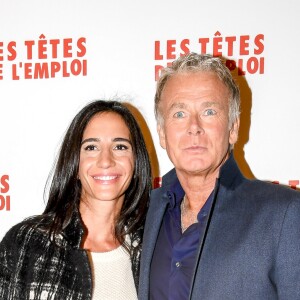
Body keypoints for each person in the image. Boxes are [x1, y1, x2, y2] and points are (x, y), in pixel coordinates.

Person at [138, 52, 300, 299]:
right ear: (161, 133)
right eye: (179, 114)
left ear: (233, 128)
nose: (194, 126)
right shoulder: (145, 211)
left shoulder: (284, 214)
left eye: (209, 111)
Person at [0, 100, 151, 299]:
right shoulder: (29, 243)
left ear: (136, 161)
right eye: (91, 147)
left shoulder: (150, 248)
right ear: (74, 164)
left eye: (120, 146)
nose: (106, 160)